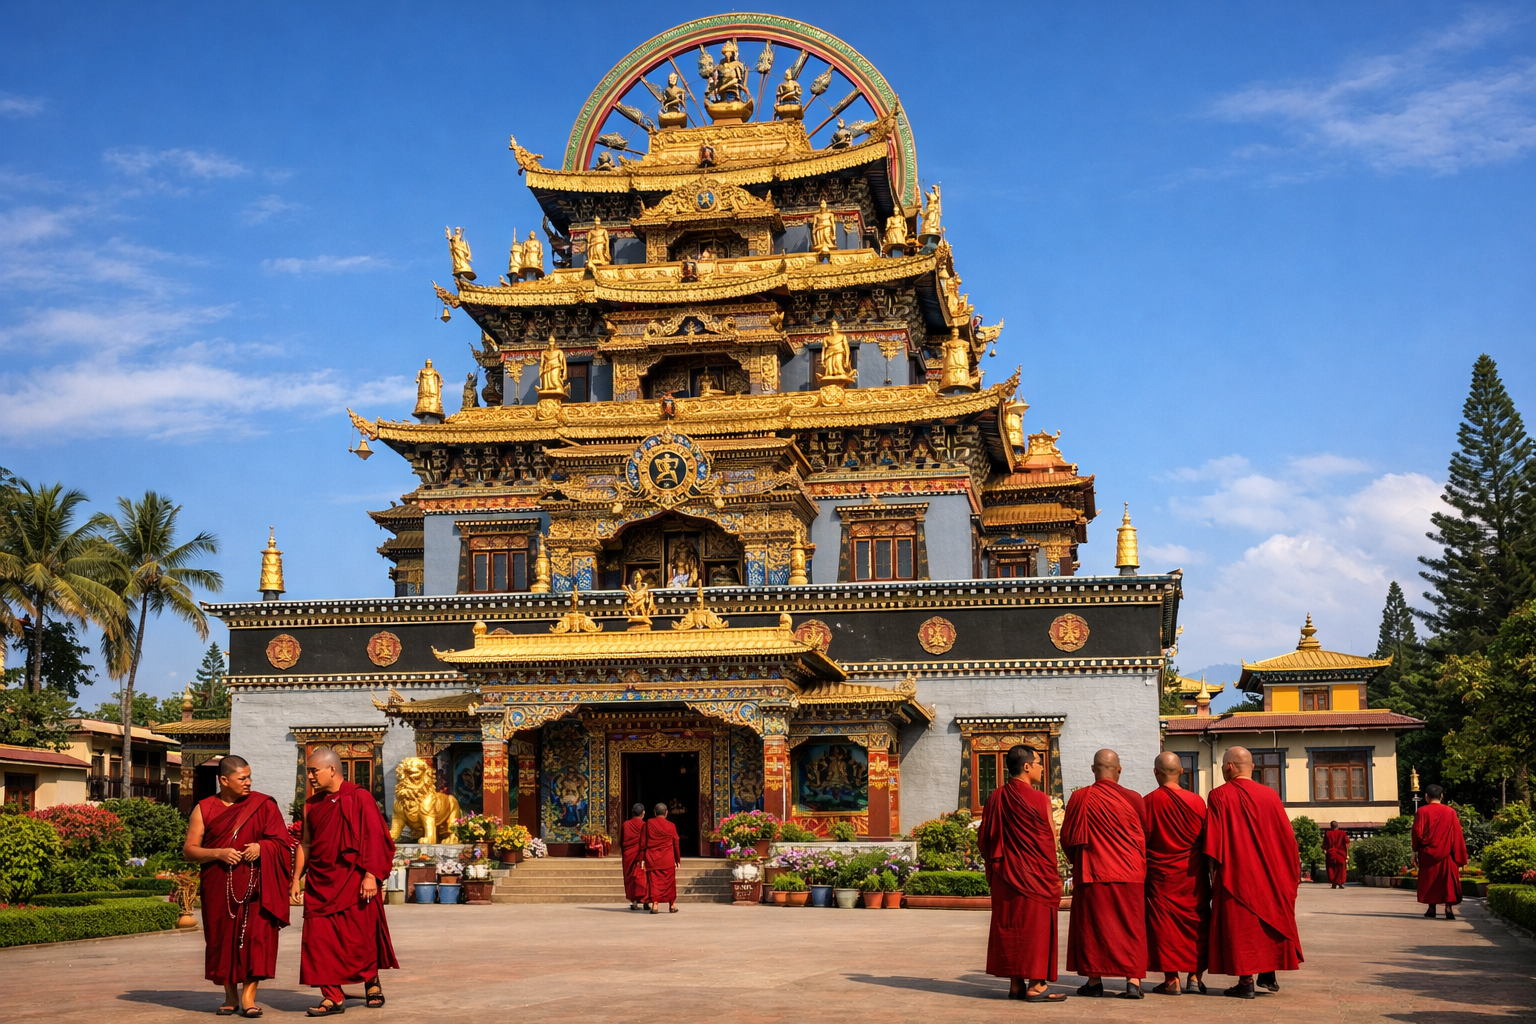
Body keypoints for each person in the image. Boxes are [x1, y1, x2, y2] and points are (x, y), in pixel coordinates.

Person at [182, 755, 295, 1018]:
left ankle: (248, 997)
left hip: (257, 887)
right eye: (242, 778)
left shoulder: (263, 805)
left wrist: (262, 847)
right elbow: (189, 850)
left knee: (257, 939)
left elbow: (283, 843)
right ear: (224, 780)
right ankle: (230, 996)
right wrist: (218, 853)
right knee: (223, 940)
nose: (248, 782)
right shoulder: (204, 808)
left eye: (249, 777)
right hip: (219, 886)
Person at [290, 747, 399, 1017]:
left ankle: (371, 981)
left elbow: (376, 837)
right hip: (320, 882)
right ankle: (333, 996)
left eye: (314, 771)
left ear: (332, 770)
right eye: (308, 771)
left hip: (354, 879)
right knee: (319, 941)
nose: (310, 776)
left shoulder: (359, 797)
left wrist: (371, 875)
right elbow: (305, 843)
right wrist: (295, 879)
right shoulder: (311, 805)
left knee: (359, 937)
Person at [1204, 746, 1303, 999]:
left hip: (1237, 874)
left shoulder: (1219, 795)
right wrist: (1289, 873)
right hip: (1271, 873)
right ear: (1252, 768)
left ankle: (1246, 981)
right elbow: (1287, 840)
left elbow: (1214, 843)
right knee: (1269, 919)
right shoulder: (1271, 795)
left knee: (1243, 927)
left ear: (1229, 767)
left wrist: (1212, 875)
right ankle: (1268, 972)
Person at [978, 744, 1067, 1002]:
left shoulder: (995, 798)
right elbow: (1049, 838)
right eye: (1039, 763)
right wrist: (1051, 873)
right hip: (1035, 875)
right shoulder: (1040, 799)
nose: (1042, 768)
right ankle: (1037, 985)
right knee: (1035, 926)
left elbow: (984, 839)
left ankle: (1016, 984)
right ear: (1027, 767)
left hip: (1005, 875)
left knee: (1012, 925)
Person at [1061, 748, 1149, 999]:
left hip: (1094, 871)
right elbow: (1144, 834)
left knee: (1093, 928)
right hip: (1130, 872)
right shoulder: (1134, 798)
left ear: (1093, 769)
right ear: (1119, 770)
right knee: (1131, 927)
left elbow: (1067, 838)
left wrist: (1079, 861)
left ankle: (1094, 982)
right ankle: (1133, 982)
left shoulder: (1080, 797)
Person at [1141, 752, 1209, 996]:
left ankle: (1172, 980)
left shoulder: (1147, 802)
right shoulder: (1197, 802)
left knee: (1164, 926)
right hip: (1193, 875)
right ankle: (1195, 977)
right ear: (1181, 772)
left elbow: (1142, 841)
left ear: (1155, 772)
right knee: (1197, 924)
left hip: (1161, 876)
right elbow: (1206, 840)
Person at [1413, 784, 1468, 920]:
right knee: (1447, 880)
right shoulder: (1450, 812)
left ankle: (1431, 908)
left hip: (1427, 853)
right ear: (1441, 797)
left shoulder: (1422, 812)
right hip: (1447, 853)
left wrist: (1415, 850)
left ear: (1426, 797)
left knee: (1430, 879)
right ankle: (1448, 908)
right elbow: (1457, 834)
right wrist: (1460, 854)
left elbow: (1417, 832)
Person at [644, 801, 681, 914]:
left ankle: (655, 904)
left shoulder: (649, 823)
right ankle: (672, 905)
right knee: (669, 883)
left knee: (654, 882)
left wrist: (642, 859)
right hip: (667, 859)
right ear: (666, 813)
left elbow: (643, 843)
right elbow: (676, 844)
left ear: (655, 812)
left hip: (653, 858)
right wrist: (677, 860)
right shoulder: (671, 826)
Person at [622, 802, 650, 911]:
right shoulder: (645, 825)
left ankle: (634, 902)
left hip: (629, 855)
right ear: (643, 813)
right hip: (641, 855)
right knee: (644, 878)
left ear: (632, 812)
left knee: (632, 878)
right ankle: (646, 901)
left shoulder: (626, 825)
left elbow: (622, 841)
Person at [1323, 821, 1351, 889]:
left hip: (1331, 853)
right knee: (1341, 869)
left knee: (1331, 868)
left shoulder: (1328, 833)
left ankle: (1334, 883)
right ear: (1337, 826)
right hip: (1341, 853)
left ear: (1331, 826)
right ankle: (1340, 883)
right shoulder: (1342, 833)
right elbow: (1347, 843)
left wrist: (1326, 850)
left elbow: (1325, 844)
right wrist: (1347, 853)